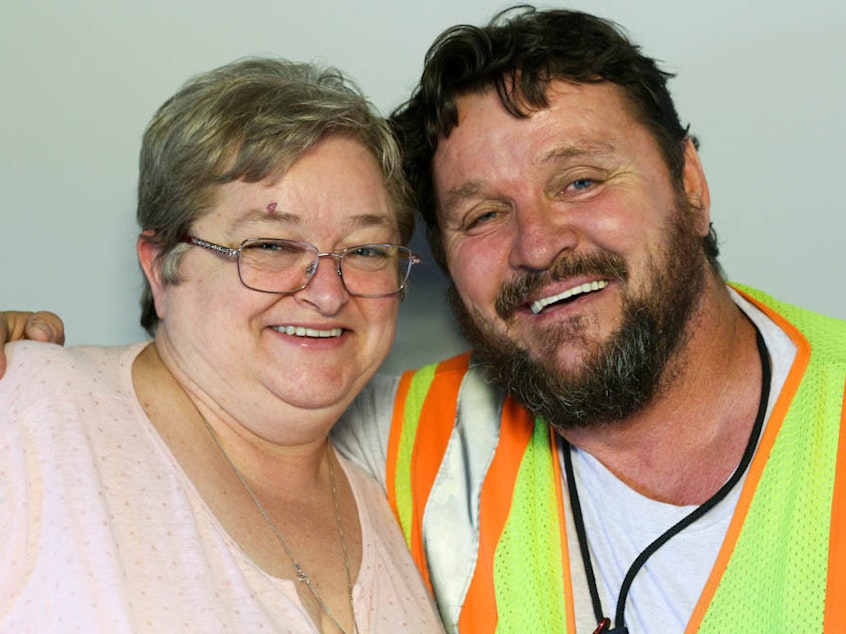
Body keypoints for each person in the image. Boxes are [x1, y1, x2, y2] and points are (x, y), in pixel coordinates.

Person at [4, 7, 846, 634]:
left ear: (689, 184)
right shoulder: (400, 442)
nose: (539, 243)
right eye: (482, 215)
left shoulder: (361, 470)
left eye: (581, 180)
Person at [0, 57, 443, 633]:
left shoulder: (401, 490)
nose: (328, 295)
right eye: (271, 245)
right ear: (161, 267)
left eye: (364, 251)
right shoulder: (35, 413)